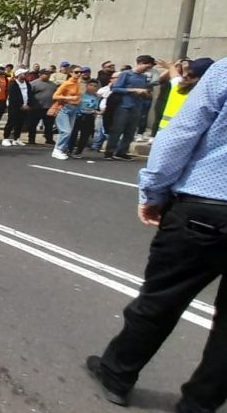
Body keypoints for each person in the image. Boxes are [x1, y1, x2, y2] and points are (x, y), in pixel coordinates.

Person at [85, 57, 227, 413]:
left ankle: (117, 374)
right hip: (209, 204)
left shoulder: (225, 71)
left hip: (207, 205)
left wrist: (153, 191)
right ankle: (200, 404)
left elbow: (182, 132)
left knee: (160, 300)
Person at [105, 55, 156, 161]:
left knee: (131, 131)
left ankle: (122, 151)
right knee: (117, 129)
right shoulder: (126, 74)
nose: (148, 69)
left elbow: (144, 90)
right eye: (147, 66)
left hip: (137, 106)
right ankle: (110, 151)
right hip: (123, 106)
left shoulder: (143, 77)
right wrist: (133, 90)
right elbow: (116, 89)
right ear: (140, 63)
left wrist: (145, 94)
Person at [158, 57, 214, 131]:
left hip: (164, 132)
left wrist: (171, 66)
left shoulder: (178, 86)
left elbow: (175, 75)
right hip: (185, 135)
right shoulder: (206, 93)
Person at [51, 69, 82, 160]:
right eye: (76, 72)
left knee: (67, 132)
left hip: (73, 109)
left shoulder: (77, 83)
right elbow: (55, 96)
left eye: (80, 72)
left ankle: (59, 150)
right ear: (71, 73)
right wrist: (69, 97)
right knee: (66, 131)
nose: (79, 74)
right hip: (64, 108)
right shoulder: (66, 84)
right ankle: (58, 150)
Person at [70, 79, 101, 159]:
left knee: (85, 136)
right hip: (78, 116)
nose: (93, 87)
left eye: (95, 86)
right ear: (86, 86)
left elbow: (97, 108)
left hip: (89, 117)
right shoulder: (80, 95)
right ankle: (69, 150)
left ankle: (78, 152)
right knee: (73, 134)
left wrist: (96, 112)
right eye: (91, 85)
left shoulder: (97, 97)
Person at [28, 69, 57, 145]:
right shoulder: (33, 84)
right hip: (36, 108)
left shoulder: (53, 85)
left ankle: (49, 139)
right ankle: (31, 139)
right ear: (40, 74)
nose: (48, 75)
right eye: (46, 74)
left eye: (49, 74)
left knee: (49, 126)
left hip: (49, 108)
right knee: (33, 125)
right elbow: (28, 95)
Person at [3, 69, 31, 146]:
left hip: (25, 107)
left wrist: (28, 105)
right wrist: (20, 105)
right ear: (19, 75)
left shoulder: (27, 84)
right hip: (14, 107)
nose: (25, 75)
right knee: (11, 122)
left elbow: (29, 95)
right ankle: (5, 138)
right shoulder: (13, 84)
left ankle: (16, 138)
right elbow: (13, 97)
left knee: (20, 123)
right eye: (24, 74)